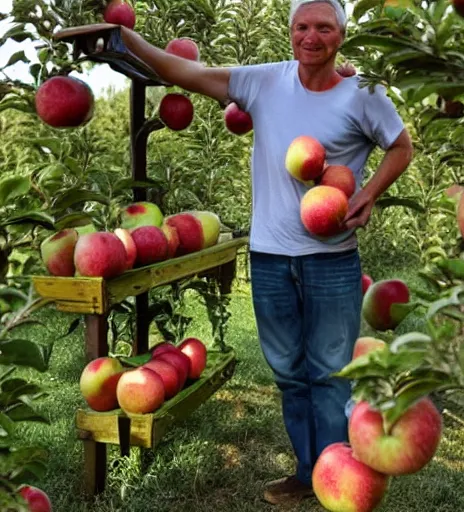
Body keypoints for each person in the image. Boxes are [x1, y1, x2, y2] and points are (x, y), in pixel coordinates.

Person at [115, 0, 413, 505]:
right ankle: (306, 469)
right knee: (289, 373)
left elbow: (401, 146)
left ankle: (336, 471)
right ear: (290, 30)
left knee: (332, 371)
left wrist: (369, 193)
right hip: (271, 256)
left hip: (332, 258)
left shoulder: (365, 93)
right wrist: (124, 37)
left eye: (323, 27)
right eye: (302, 26)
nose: (310, 36)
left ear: (342, 34)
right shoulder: (264, 81)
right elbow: (184, 71)